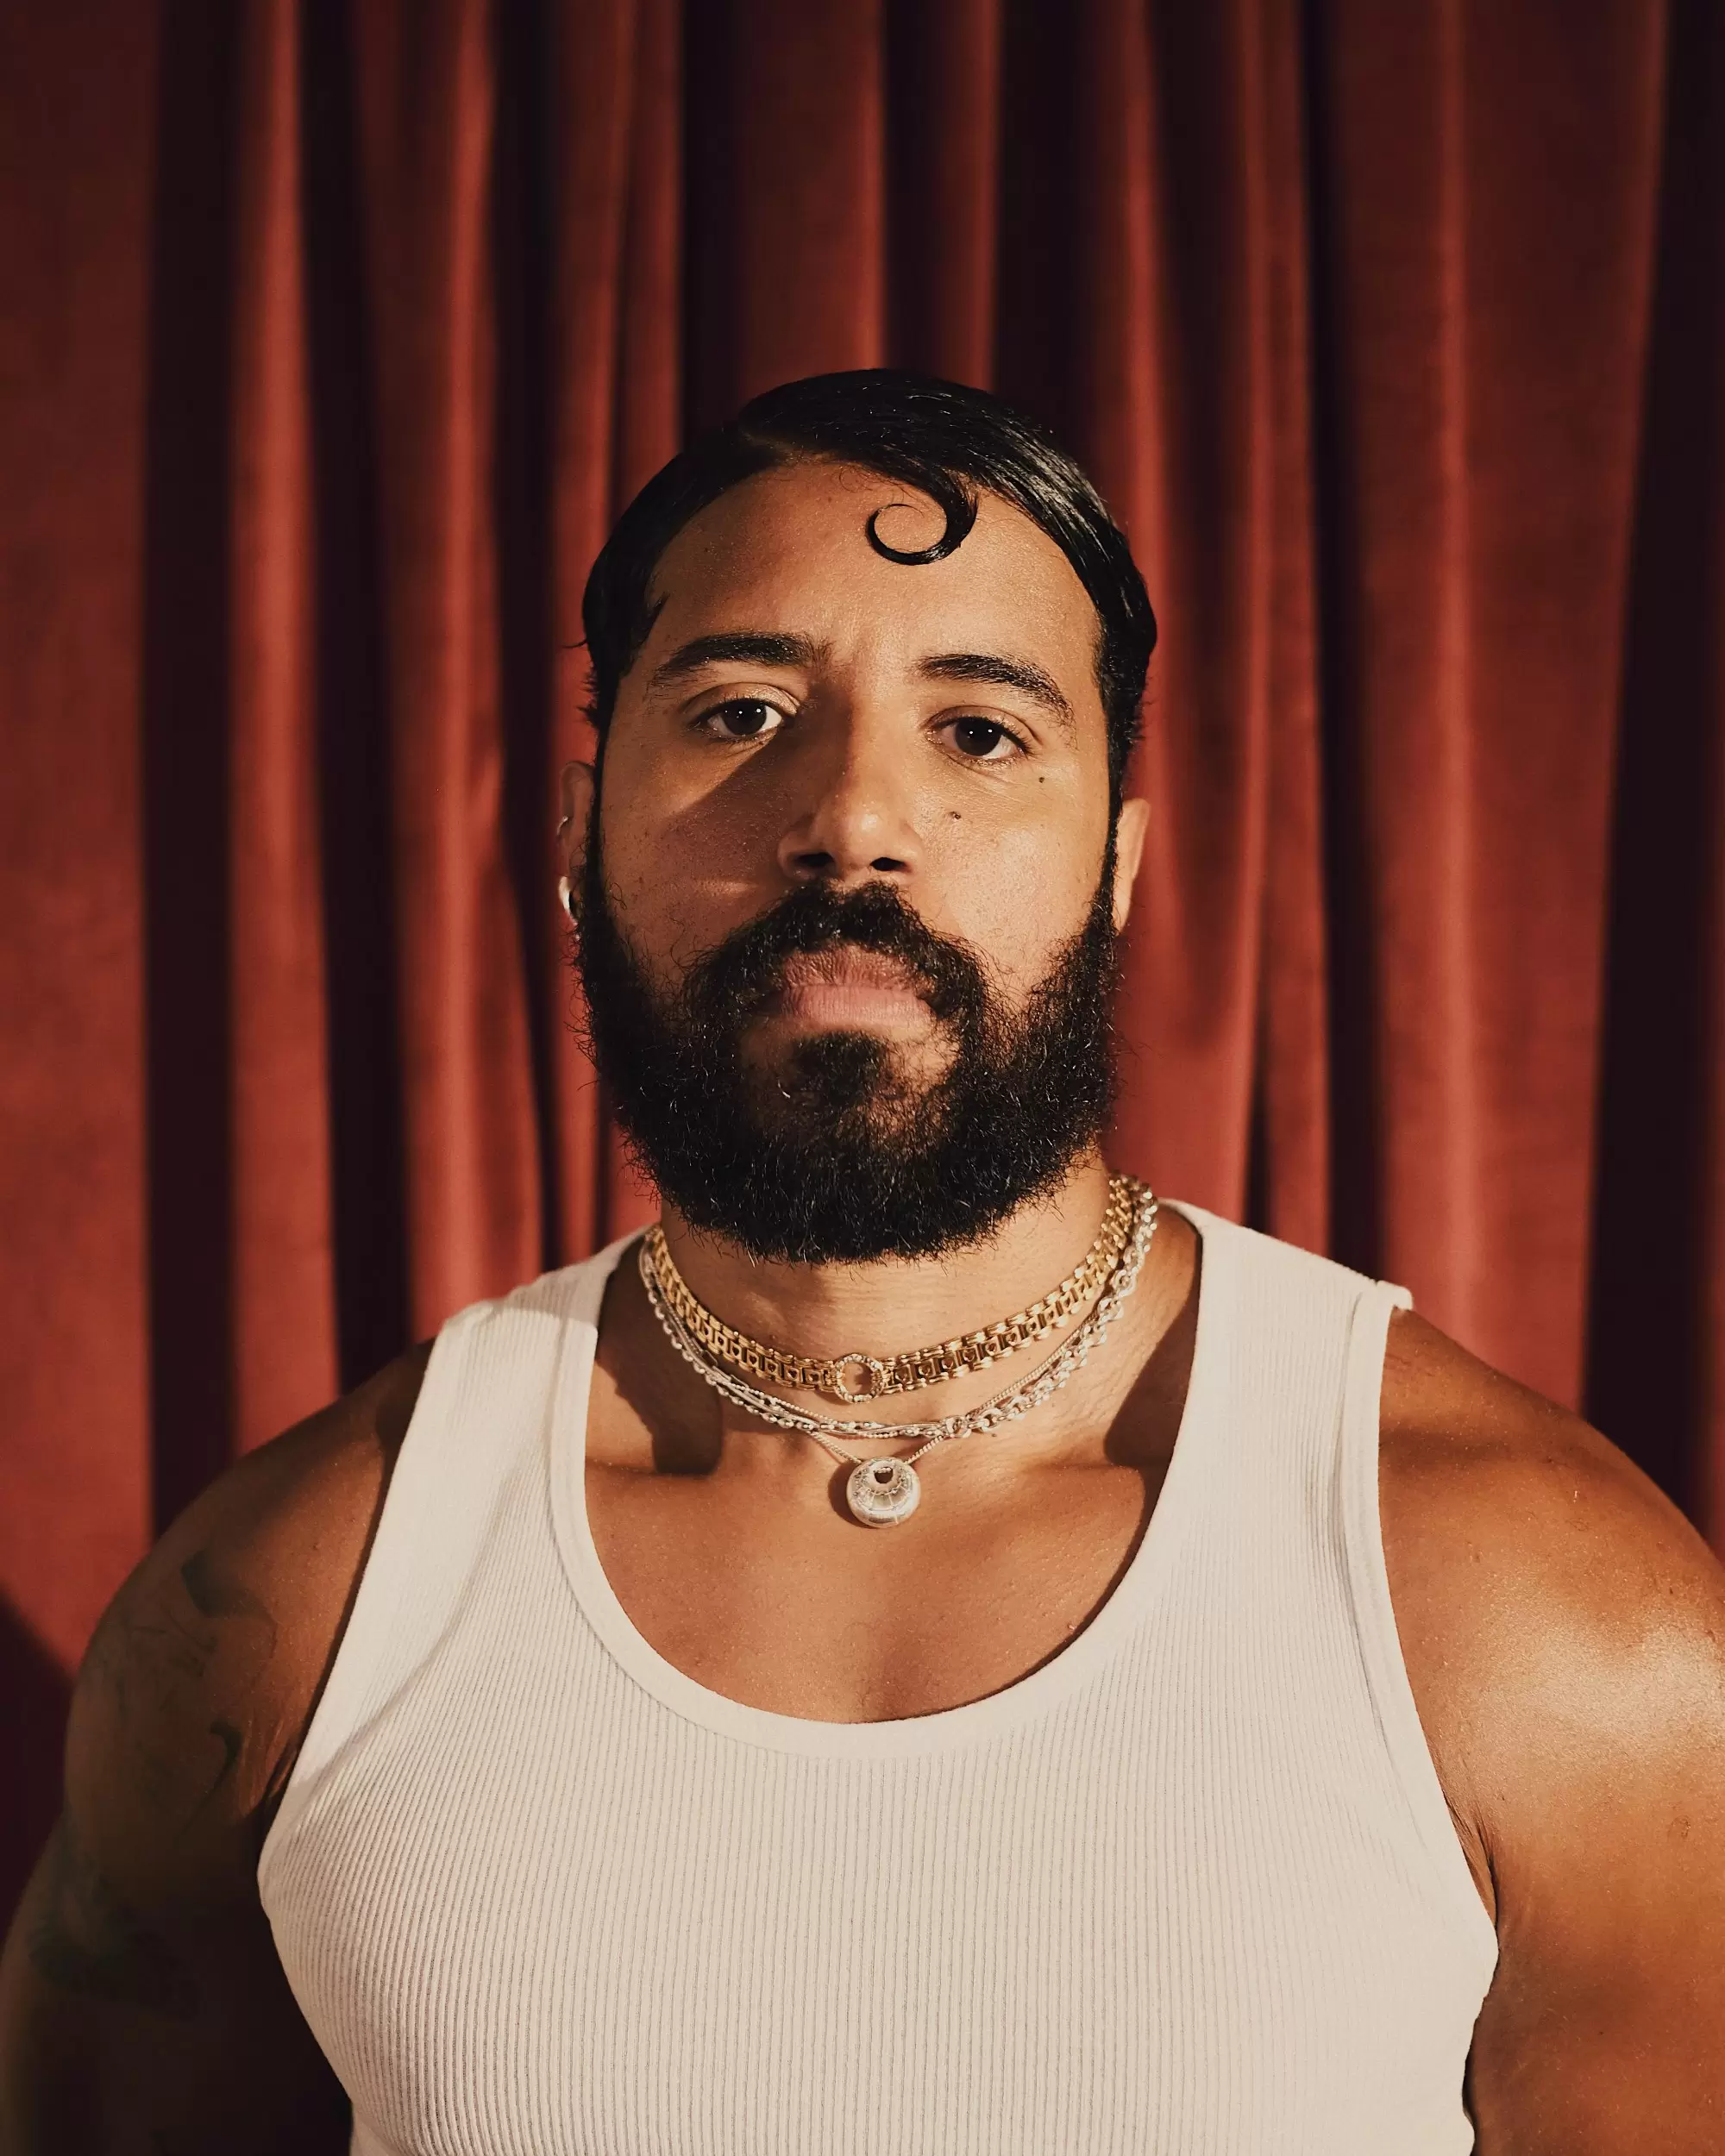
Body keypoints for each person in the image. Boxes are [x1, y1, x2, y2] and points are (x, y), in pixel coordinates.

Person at [2, 372, 1722, 2156]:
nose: (851, 815)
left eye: (979, 730)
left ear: (1119, 859)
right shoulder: (294, 1603)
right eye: (740, 712)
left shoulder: (1546, 1620)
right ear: (579, 836)